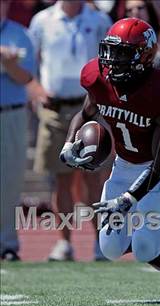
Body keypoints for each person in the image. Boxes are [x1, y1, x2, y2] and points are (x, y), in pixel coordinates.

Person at [60, 18, 160, 303]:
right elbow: (84, 115)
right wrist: (69, 144)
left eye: (122, 54)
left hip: (159, 166)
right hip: (125, 162)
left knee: (145, 248)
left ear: (144, 56)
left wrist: (129, 199)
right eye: (110, 51)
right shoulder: (98, 77)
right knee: (110, 248)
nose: (112, 61)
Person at [29, 0, 112, 261]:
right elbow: (31, 62)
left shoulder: (99, 21)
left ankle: (101, 242)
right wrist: (38, 92)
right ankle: (64, 243)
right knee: (61, 179)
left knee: (94, 178)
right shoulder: (42, 20)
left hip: (91, 106)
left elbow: (110, 63)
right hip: (55, 108)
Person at [0, 0, 36, 261]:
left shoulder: (20, 33)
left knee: (9, 181)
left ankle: (7, 243)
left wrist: (8, 64)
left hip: (11, 112)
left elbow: (25, 77)